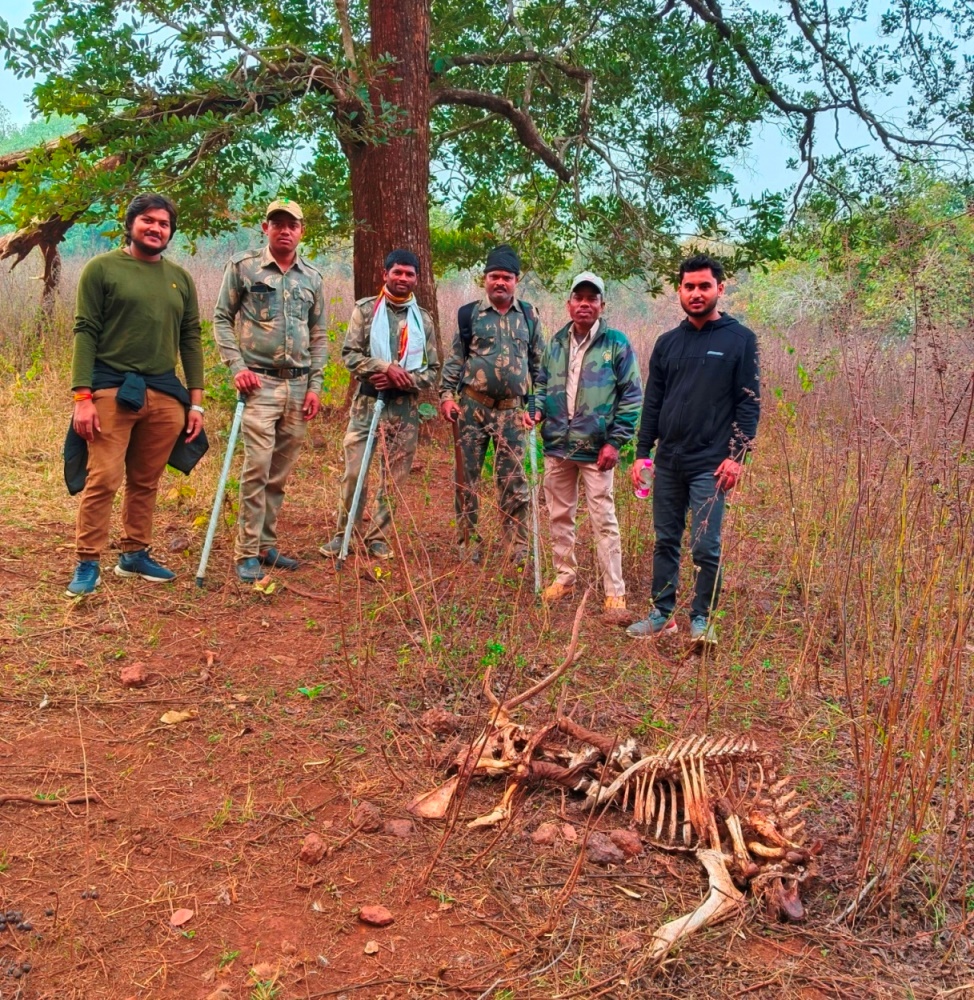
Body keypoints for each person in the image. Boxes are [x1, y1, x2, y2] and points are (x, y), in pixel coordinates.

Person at [65, 192, 205, 597]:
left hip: (163, 392)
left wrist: (194, 402)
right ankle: (88, 560)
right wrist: (83, 397)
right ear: (131, 224)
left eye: (164, 224)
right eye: (148, 220)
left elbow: (190, 338)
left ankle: (134, 553)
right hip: (110, 389)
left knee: (146, 480)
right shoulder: (102, 268)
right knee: (104, 477)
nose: (156, 228)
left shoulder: (180, 277)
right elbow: (85, 331)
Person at [626, 253, 760, 647]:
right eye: (689, 287)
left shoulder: (740, 340)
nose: (696, 293)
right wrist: (642, 452)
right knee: (665, 539)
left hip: (711, 463)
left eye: (704, 286)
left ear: (720, 287)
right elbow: (653, 402)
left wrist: (736, 458)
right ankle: (661, 614)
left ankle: (702, 618)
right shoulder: (668, 344)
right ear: (679, 292)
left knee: (705, 544)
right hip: (668, 461)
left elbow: (749, 403)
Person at [213, 199, 328, 582]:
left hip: (297, 385)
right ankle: (245, 552)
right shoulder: (244, 267)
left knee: (279, 472)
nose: (284, 230)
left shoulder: (312, 277)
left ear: (301, 230)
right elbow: (221, 318)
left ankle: (266, 544)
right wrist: (237, 367)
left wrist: (315, 386)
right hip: (259, 383)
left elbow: (319, 334)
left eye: (291, 224)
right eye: (277, 224)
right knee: (257, 466)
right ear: (266, 228)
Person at [531, 272, 642, 618]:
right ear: (569, 304)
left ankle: (615, 591)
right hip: (557, 446)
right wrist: (536, 409)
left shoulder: (616, 344)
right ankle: (565, 577)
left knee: (603, 519)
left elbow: (632, 396)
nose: (584, 304)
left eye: (591, 299)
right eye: (578, 298)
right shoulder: (557, 342)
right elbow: (542, 381)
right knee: (559, 515)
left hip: (597, 450)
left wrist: (616, 441)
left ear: (601, 305)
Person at [319, 249, 439, 559]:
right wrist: (383, 368)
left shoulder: (422, 320)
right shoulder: (366, 311)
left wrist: (405, 380)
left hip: (404, 410)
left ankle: (378, 537)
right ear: (385, 274)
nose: (402, 278)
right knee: (354, 472)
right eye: (396, 272)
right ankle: (344, 533)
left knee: (394, 478)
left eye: (409, 273)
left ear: (417, 278)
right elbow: (350, 355)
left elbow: (433, 370)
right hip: (367, 404)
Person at [439, 244, 543, 564]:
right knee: (466, 478)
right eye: (494, 276)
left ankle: (518, 547)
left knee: (514, 482)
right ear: (485, 279)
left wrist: (535, 404)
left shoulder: (529, 315)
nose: (500, 282)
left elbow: (540, 367)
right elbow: (456, 360)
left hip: (512, 412)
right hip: (472, 408)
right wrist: (446, 397)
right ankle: (468, 542)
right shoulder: (469, 314)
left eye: (507, 277)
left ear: (516, 281)